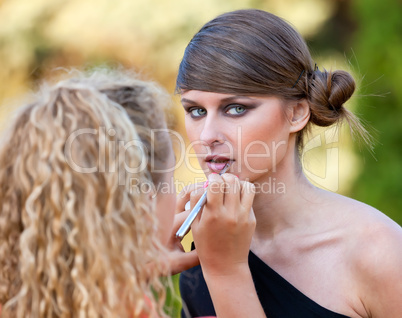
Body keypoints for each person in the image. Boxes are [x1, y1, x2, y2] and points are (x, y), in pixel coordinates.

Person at [176, 9, 402, 318]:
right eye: (196, 111)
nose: (207, 135)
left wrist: (227, 273)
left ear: (296, 113)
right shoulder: (205, 242)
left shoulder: (380, 252)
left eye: (237, 108)